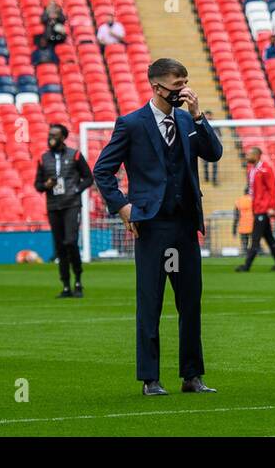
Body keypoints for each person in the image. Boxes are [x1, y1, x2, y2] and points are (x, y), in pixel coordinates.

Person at [93, 58, 223, 396]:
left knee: (190, 302)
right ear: (157, 87)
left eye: (185, 84)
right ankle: (150, 378)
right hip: (151, 227)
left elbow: (214, 153)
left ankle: (192, 376)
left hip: (184, 226)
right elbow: (102, 170)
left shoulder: (186, 119)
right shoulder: (131, 124)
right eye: (177, 86)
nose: (183, 91)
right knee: (150, 302)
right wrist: (122, 206)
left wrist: (198, 115)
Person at [34, 123, 93, 298]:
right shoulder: (43, 158)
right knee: (59, 246)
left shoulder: (75, 155)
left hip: (72, 205)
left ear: (63, 137)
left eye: (55, 135)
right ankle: (66, 285)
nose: (50, 137)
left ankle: (78, 280)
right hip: (53, 206)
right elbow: (37, 185)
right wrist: (46, 185)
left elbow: (88, 178)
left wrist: (76, 189)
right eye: (49, 134)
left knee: (70, 242)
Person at [235, 147, 275, 272]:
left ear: (256, 155)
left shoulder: (265, 169)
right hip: (257, 208)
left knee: (256, 238)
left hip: (263, 209)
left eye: (249, 154)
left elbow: (272, 189)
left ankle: (246, 266)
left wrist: (272, 207)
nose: (247, 156)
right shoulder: (253, 170)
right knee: (269, 238)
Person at [200, 110, 219, 186]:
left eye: (209, 115)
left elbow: (219, 134)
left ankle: (214, 179)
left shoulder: (216, 125)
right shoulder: (202, 124)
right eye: (206, 115)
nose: (208, 117)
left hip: (214, 147)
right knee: (205, 163)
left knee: (215, 164)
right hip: (204, 147)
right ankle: (206, 177)